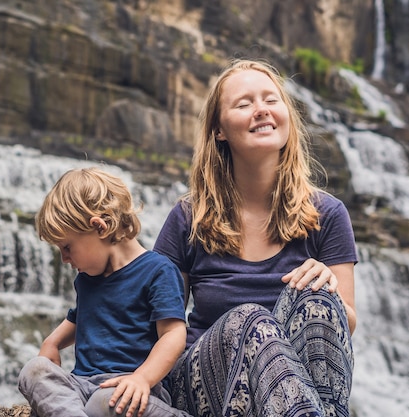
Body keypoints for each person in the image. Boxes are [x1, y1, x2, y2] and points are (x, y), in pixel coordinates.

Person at [153, 58, 358, 417]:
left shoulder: (328, 214)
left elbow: (345, 327)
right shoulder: (188, 219)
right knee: (250, 319)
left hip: (293, 389)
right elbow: (158, 322)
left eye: (271, 100)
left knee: (316, 299)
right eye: (245, 103)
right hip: (203, 385)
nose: (261, 110)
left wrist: (331, 294)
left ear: (287, 116)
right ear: (219, 130)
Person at [18, 167, 192, 417]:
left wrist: (142, 378)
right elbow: (80, 317)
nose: (64, 259)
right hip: (83, 385)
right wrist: (52, 343)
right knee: (34, 370)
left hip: (129, 389)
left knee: (105, 403)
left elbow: (173, 335)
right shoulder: (88, 277)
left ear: (101, 227)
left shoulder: (158, 271)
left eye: (67, 247)